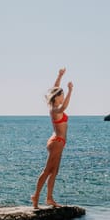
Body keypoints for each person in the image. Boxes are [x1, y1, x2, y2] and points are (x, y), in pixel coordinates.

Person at [31, 68, 73, 209]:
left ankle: (49, 198)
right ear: (56, 98)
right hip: (56, 143)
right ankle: (35, 196)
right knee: (47, 170)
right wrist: (71, 91)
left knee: (54, 171)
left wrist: (59, 76)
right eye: (61, 95)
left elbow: (55, 89)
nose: (63, 97)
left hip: (59, 143)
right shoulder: (55, 110)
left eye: (64, 95)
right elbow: (64, 105)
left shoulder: (55, 106)